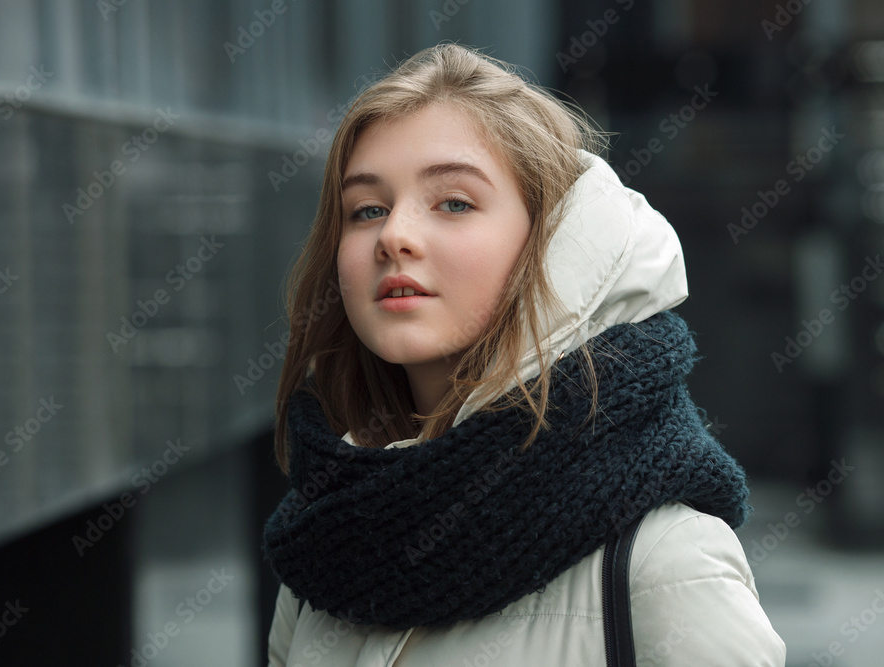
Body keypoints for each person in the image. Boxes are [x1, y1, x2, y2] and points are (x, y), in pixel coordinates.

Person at [262, 42, 786, 666]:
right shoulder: (323, 542)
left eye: (454, 203)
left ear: (550, 242)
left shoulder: (663, 559)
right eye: (367, 209)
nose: (394, 235)